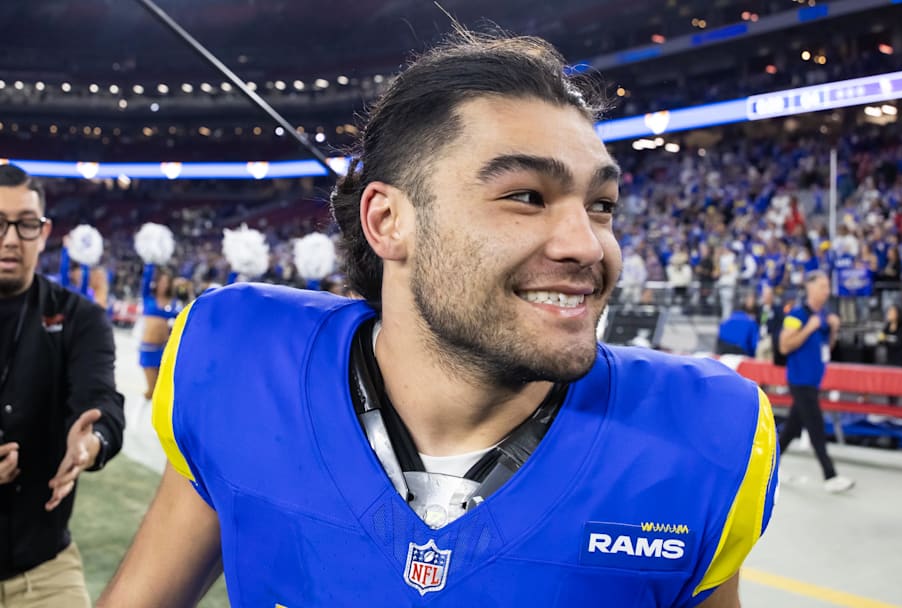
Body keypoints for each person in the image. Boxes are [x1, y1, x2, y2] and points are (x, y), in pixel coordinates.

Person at [100, 32, 777, 608]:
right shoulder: (246, 368)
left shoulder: (701, 437)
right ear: (388, 222)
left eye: (600, 204)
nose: (587, 244)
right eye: (525, 196)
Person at [0, 165, 125, 607]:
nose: (11, 238)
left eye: (25, 224)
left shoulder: (79, 318)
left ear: (44, 230)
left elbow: (101, 403)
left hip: (42, 569)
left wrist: (90, 442)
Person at [777, 270, 854, 493]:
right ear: (810, 288)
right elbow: (784, 346)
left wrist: (833, 331)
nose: (826, 291)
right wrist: (808, 328)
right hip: (800, 380)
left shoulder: (824, 316)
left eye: (827, 287)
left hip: (813, 380)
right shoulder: (797, 315)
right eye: (822, 286)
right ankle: (830, 475)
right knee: (816, 428)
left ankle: (768, 466)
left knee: (791, 429)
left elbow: (825, 349)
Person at [136, 263, 189, 402]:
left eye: (167, 282)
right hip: (148, 348)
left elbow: (184, 315)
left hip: (164, 350)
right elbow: (146, 280)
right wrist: (150, 262)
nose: (164, 285)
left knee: (164, 391)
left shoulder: (174, 303)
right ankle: (137, 416)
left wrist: (186, 287)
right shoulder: (148, 298)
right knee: (151, 389)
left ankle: (155, 421)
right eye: (161, 282)